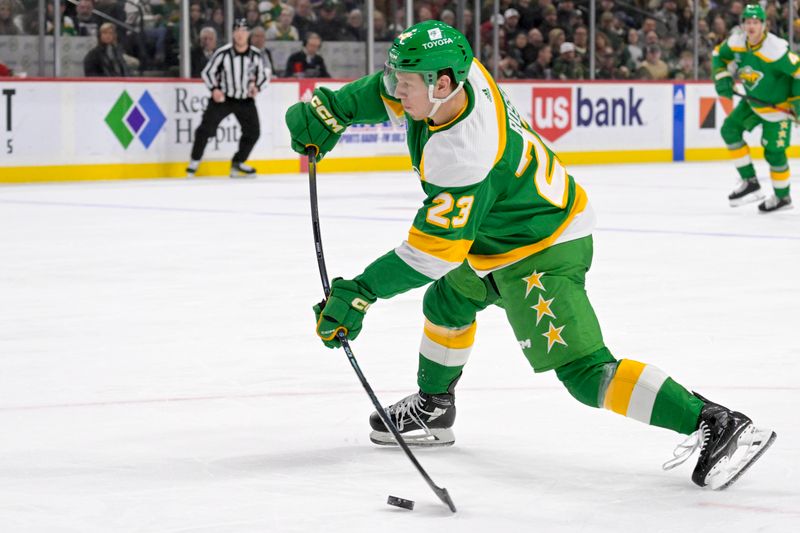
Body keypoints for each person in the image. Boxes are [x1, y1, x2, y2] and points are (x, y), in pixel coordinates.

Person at [284, 21, 776, 490]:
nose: (394, 88)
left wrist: (362, 293)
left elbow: (432, 252)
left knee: (586, 374)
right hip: (497, 238)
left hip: (541, 248)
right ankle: (435, 407)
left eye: (405, 82)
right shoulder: (460, 73)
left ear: (441, 85)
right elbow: (387, 91)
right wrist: (336, 108)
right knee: (447, 305)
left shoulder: (463, 153)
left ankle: (717, 422)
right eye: (395, 76)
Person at [713, 4, 797, 213]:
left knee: (774, 153)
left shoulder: (775, 49)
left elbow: (798, 72)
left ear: (764, 25)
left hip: (778, 109)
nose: (751, 27)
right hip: (753, 102)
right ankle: (749, 181)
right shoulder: (737, 42)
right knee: (729, 130)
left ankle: (782, 197)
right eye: (747, 22)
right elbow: (718, 55)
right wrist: (722, 78)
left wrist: (797, 103)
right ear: (742, 24)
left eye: (755, 23)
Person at [187, 18, 270, 178]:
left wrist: (257, 87)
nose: (240, 35)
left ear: (248, 34)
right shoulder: (223, 53)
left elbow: (264, 75)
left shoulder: (255, 55)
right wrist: (214, 89)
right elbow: (208, 72)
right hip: (224, 99)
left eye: (243, 32)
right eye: (237, 32)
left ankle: (238, 162)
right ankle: (194, 162)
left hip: (245, 100)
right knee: (205, 129)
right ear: (233, 34)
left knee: (253, 132)